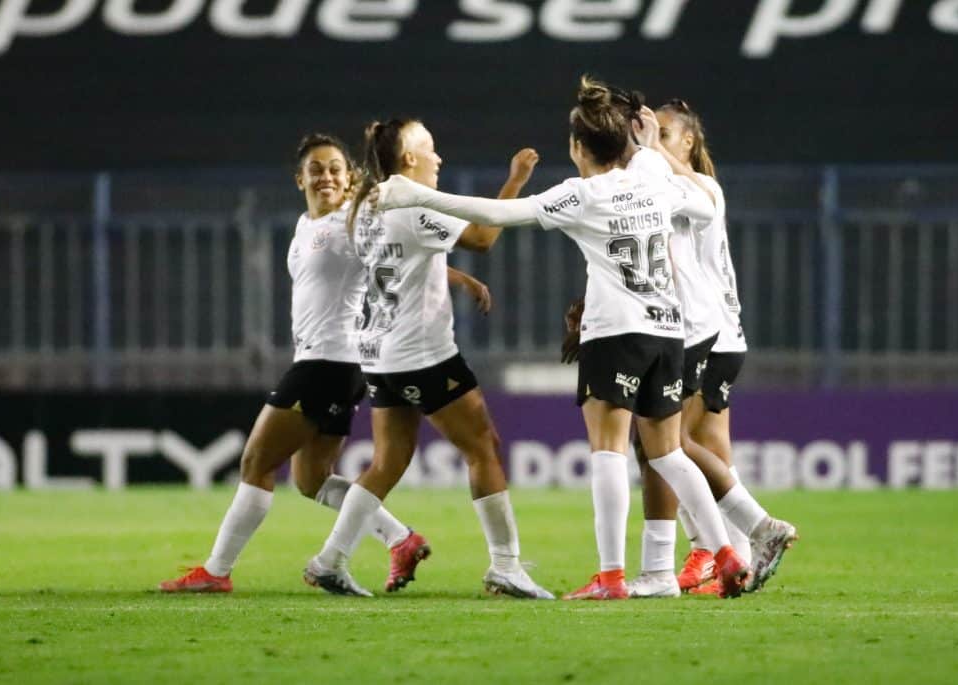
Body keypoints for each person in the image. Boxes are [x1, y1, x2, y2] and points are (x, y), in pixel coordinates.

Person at [372, 78, 753, 600]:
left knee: (609, 451)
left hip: (615, 333)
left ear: (577, 147)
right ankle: (725, 553)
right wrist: (650, 150)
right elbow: (707, 209)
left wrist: (414, 194)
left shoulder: (581, 194)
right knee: (667, 455)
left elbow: (497, 215)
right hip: (668, 331)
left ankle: (612, 577)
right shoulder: (652, 174)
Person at [159, 133, 489, 594]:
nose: (326, 176)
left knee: (256, 461)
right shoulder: (303, 226)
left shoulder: (351, 223)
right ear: (300, 179)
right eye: (316, 169)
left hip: (328, 363)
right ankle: (401, 538)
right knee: (311, 478)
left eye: (335, 168)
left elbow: (400, 256)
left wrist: (458, 277)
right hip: (333, 365)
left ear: (349, 176)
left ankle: (216, 571)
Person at [301, 119, 554, 599]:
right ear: (409, 159)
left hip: (377, 352)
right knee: (483, 447)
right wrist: (516, 181)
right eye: (430, 149)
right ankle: (506, 566)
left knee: (388, 461)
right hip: (422, 355)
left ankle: (329, 560)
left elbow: (402, 260)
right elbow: (482, 238)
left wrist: (456, 280)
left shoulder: (365, 204)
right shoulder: (414, 204)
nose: (439, 158)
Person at [563, 100, 797, 597]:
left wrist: (645, 150)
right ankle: (720, 555)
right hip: (708, 331)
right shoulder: (662, 188)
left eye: (664, 134)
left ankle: (735, 540)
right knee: (695, 449)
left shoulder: (696, 187)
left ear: (688, 142)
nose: (650, 142)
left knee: (667, 449)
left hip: (698, 331)